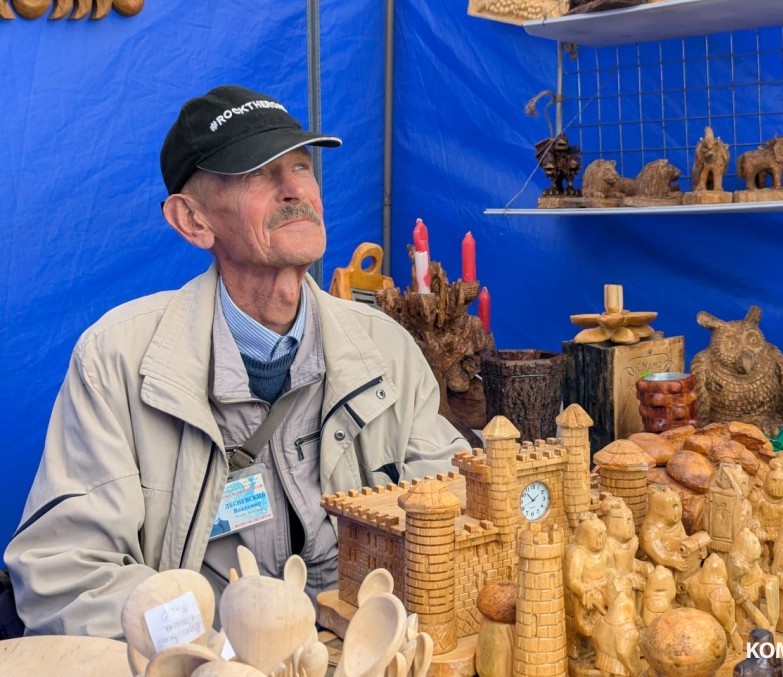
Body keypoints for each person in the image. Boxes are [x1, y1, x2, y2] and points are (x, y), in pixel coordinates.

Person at [4, 85, 469, 638]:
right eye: (258, 173)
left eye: (301, 165)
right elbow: (65, 577)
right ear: (193, 221)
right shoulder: (117, 362)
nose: (294, 189)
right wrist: (218, 652)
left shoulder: (386, 351)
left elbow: (452, 511)